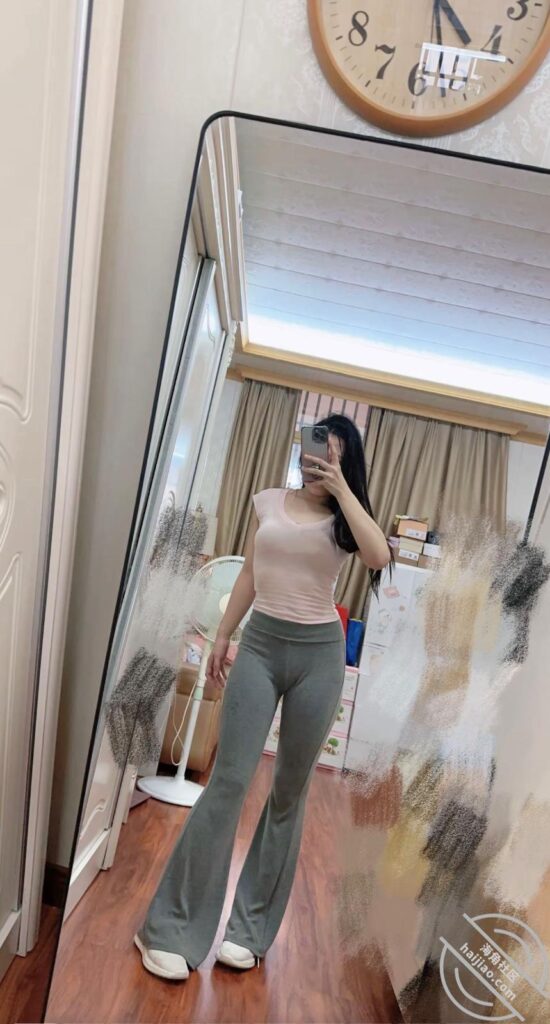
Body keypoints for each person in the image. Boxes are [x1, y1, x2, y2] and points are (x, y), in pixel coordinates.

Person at [134, 413, 391, 980]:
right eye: (314, 449)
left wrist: (344, 489)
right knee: (227, 781)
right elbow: (250, 572)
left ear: (346, 460)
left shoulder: (347, 520)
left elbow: (378, 557)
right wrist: (224, 634)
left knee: (289, 794)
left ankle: (249, 931)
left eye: (332, 453)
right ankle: (170, 927)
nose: (318, 460)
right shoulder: (270, 502)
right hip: (260, 645)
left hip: (319, 657)